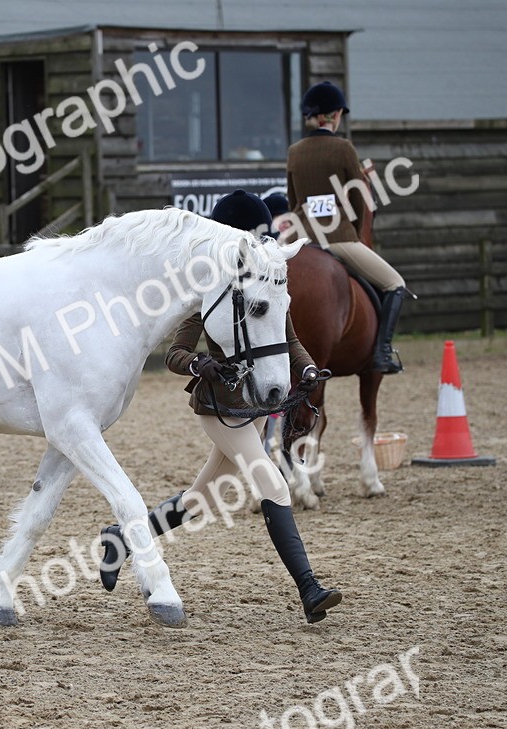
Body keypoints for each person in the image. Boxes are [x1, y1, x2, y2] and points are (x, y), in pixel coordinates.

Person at [97, 190, 344, 624]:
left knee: (198, 500)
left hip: (248, 408)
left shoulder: (264, 283)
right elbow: (175, 353)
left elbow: (289, 340)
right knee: (275, 485)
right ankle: (309, 589)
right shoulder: (210, 292)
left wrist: (305, 370)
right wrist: (200, 362)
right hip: (220, 405)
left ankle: (120, 540)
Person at [285, 81, 408, 374]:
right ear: (336, 114)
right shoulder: (344, 148)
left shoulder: (295, 151)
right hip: (338, 235)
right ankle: (382, 353)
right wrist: (350, 232)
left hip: (297, 236)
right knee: (395, 284)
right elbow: (358, 200)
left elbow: (293, 200)